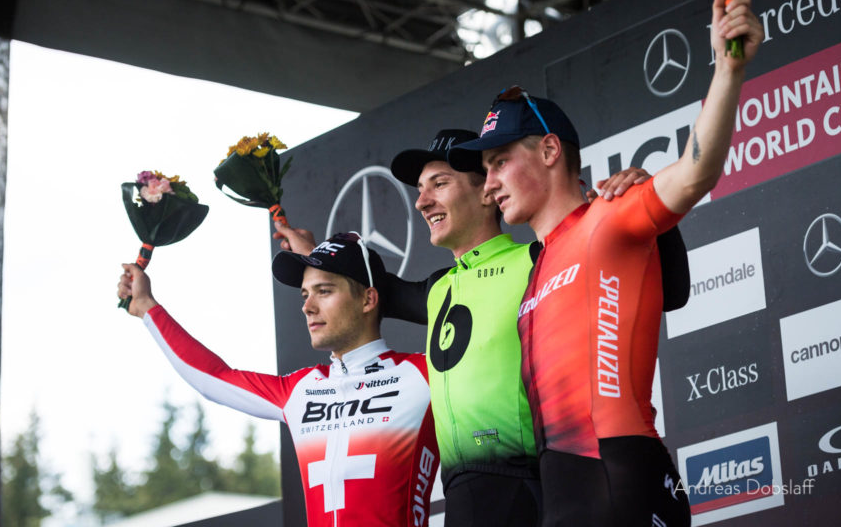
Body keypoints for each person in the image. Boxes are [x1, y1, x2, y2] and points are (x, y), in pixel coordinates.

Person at [447, 0, 764, 526]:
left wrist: (727, 71)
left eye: (499, 162)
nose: (489, 184)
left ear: (550, 151)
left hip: (623, 483)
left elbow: (695, 173)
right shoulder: (536, 265)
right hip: (564, 499)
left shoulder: (608, 217)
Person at [276, 130, 687, 527]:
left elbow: (671, 292)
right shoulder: (438, 289)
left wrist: (655, 216)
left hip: (531, 484)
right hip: (462, 496)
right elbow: (363, 290)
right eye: (420, 189)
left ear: (488, 191)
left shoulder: (540, 259)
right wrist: (315, 256)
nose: (422, 201)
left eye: (440, 184)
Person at [116, 232, 438, 527]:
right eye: (305, 294)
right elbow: (213, 376)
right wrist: (146, 307)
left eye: (324, 291)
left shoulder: (425, 374)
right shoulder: (301, 390)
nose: (307, 307)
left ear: (368, 299)